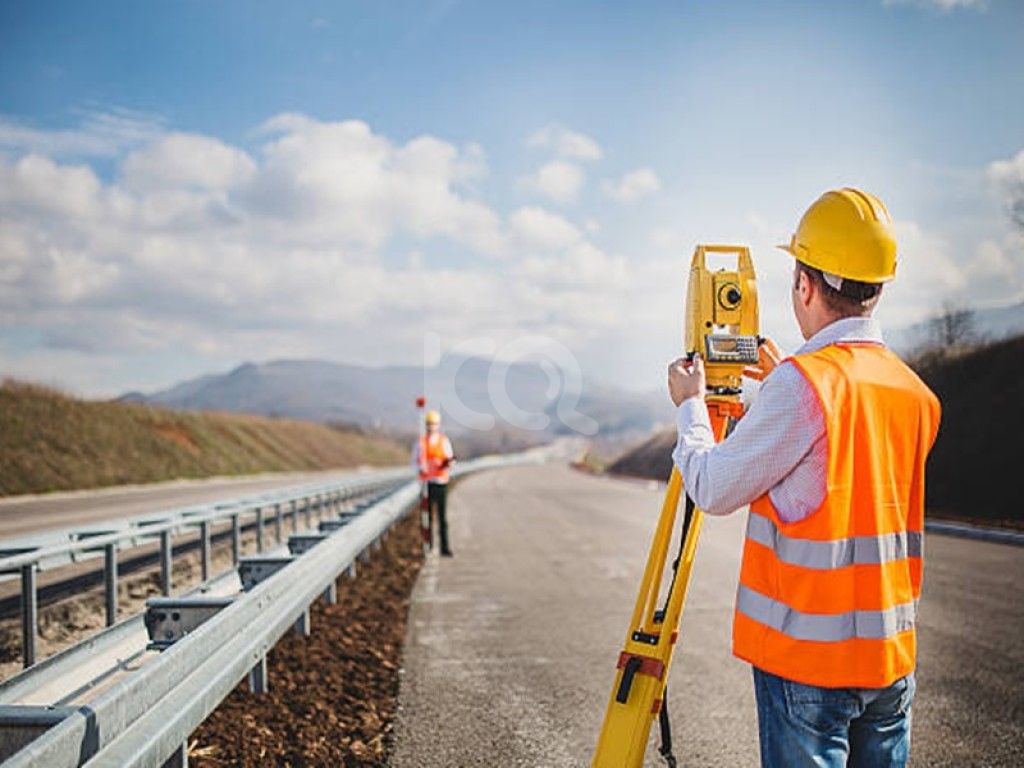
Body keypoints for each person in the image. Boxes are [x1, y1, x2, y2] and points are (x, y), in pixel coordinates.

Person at [667, 188, 941, 768]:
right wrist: (783, 379)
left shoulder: (802, 386)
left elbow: (712, 487)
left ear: (804, 284)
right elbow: (841, 459)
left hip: (810, 667)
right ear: (877, 288)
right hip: (889, 660)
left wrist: (691, 406)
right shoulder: (914, 393)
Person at [412, 410, 456, 556]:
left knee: (442, 517)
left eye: (434, 424)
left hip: (441, 482)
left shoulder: (444, 441)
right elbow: (414, 462)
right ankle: (428, 546)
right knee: (427, 516)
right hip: (427, 484)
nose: (432, 427)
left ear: (438, 425)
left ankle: (445, 547)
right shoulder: (421, 443)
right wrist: (421, 469)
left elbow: (450, 459)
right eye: (429, 424)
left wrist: (446, 464)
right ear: (426, 425)